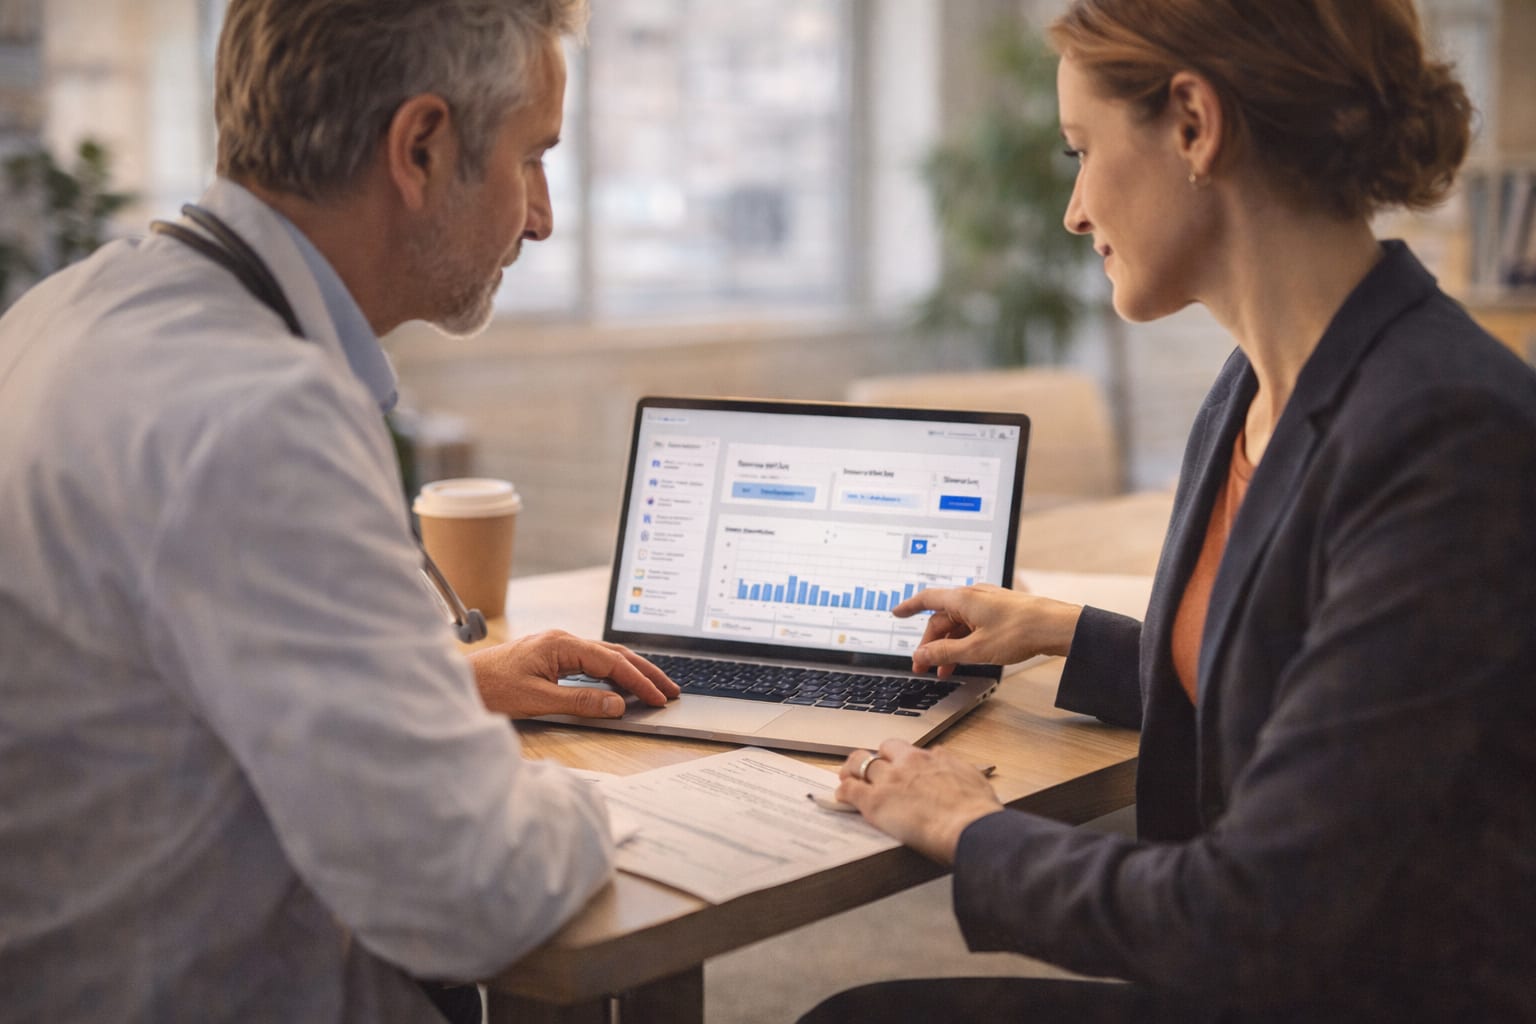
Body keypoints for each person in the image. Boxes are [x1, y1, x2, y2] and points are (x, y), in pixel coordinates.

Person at [803, 0, 1536, 1020]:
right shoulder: (1253, 389)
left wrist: (969, 828)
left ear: (1194, 125)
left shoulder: (1448, 434)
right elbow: (1304, 700)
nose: (1071, 209)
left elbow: (1249, 912)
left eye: (1082, 149)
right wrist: (1070, 636)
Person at [0, 1, 680, 1020]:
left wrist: (445, 682)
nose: (540, 216)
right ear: (420, 147)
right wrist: (593, 802)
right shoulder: (259, 413)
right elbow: (470, 893)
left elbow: (167, 673)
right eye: (532, 158)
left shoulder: (64, 313)